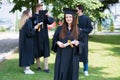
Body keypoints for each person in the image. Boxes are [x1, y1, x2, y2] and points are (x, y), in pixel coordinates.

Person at [52, 8, 83, 80]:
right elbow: (54, 39)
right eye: (66, 17)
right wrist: (58, 42)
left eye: (70, 17)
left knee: (71, 74)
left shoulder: (78, 30)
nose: (68, 19)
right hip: (61, 56)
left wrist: (78, 43)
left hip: (72, 57)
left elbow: (83, 43)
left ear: (73, 18)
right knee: (61, 73)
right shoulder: (60, 29)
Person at [31, 3, 54, 73]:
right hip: (36, 36)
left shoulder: (44, 15)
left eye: (42, 8)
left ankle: (46, 68)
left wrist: (48, 16)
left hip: (44, 36)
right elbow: (31, 25)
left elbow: (50, 22)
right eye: (40, 8)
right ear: (37, 8)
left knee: (45, 51)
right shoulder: (33, 16)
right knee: (37, 51)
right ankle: (38, 66)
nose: (41, 9)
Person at [19, 9, 38, 74]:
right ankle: (27, 69)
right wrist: (35, 28)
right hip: (28, 41)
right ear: (27, 14)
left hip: (23, 41)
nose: (31, 14)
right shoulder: (28, 21)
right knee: (28, 54)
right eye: (30, 13)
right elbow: (29, 33)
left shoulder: (22, 21)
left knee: (25, 54)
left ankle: (25, 68)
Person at [76, 4, 93, 76]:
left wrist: (82, 30)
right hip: (75, 39)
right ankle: (75, 69)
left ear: (80, 10)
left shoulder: (86, 18)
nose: (75, 11)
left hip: (84, 39)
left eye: (76, 9)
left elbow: (90, 28)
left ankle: (85, 70)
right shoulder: (74, 18)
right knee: (75, 54)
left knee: (84, 54)